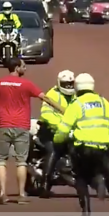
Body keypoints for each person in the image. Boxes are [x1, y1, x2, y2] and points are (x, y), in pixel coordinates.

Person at [0, 58, 65, 205]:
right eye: (23, 66)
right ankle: (21, 194)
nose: (25, 68)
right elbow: (46, 98)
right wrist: (63, 110)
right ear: (17, 67)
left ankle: (2, 194)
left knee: (0, 160)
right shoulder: (27, 84)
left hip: (3, 126)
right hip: (21, 127)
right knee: (21, 162)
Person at [53, 73, 109, 214]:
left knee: (81, 178)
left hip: (82, 148)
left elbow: (64, 128)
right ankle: (98, 181)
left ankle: (86, 209)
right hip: (102, 148)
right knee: (96, 169)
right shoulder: (104, 102)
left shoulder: (76, 104)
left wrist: (57, 140)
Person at [37, 70, 76, 198]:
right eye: (66, 84)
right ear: (59, 83)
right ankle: (45, 185)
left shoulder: (76, 95)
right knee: (53, 150)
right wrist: (60, 126)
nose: (69, 87)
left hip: (69, 131)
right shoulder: (52, 94)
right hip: (49, 131)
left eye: (71, 84)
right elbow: (45, 113)